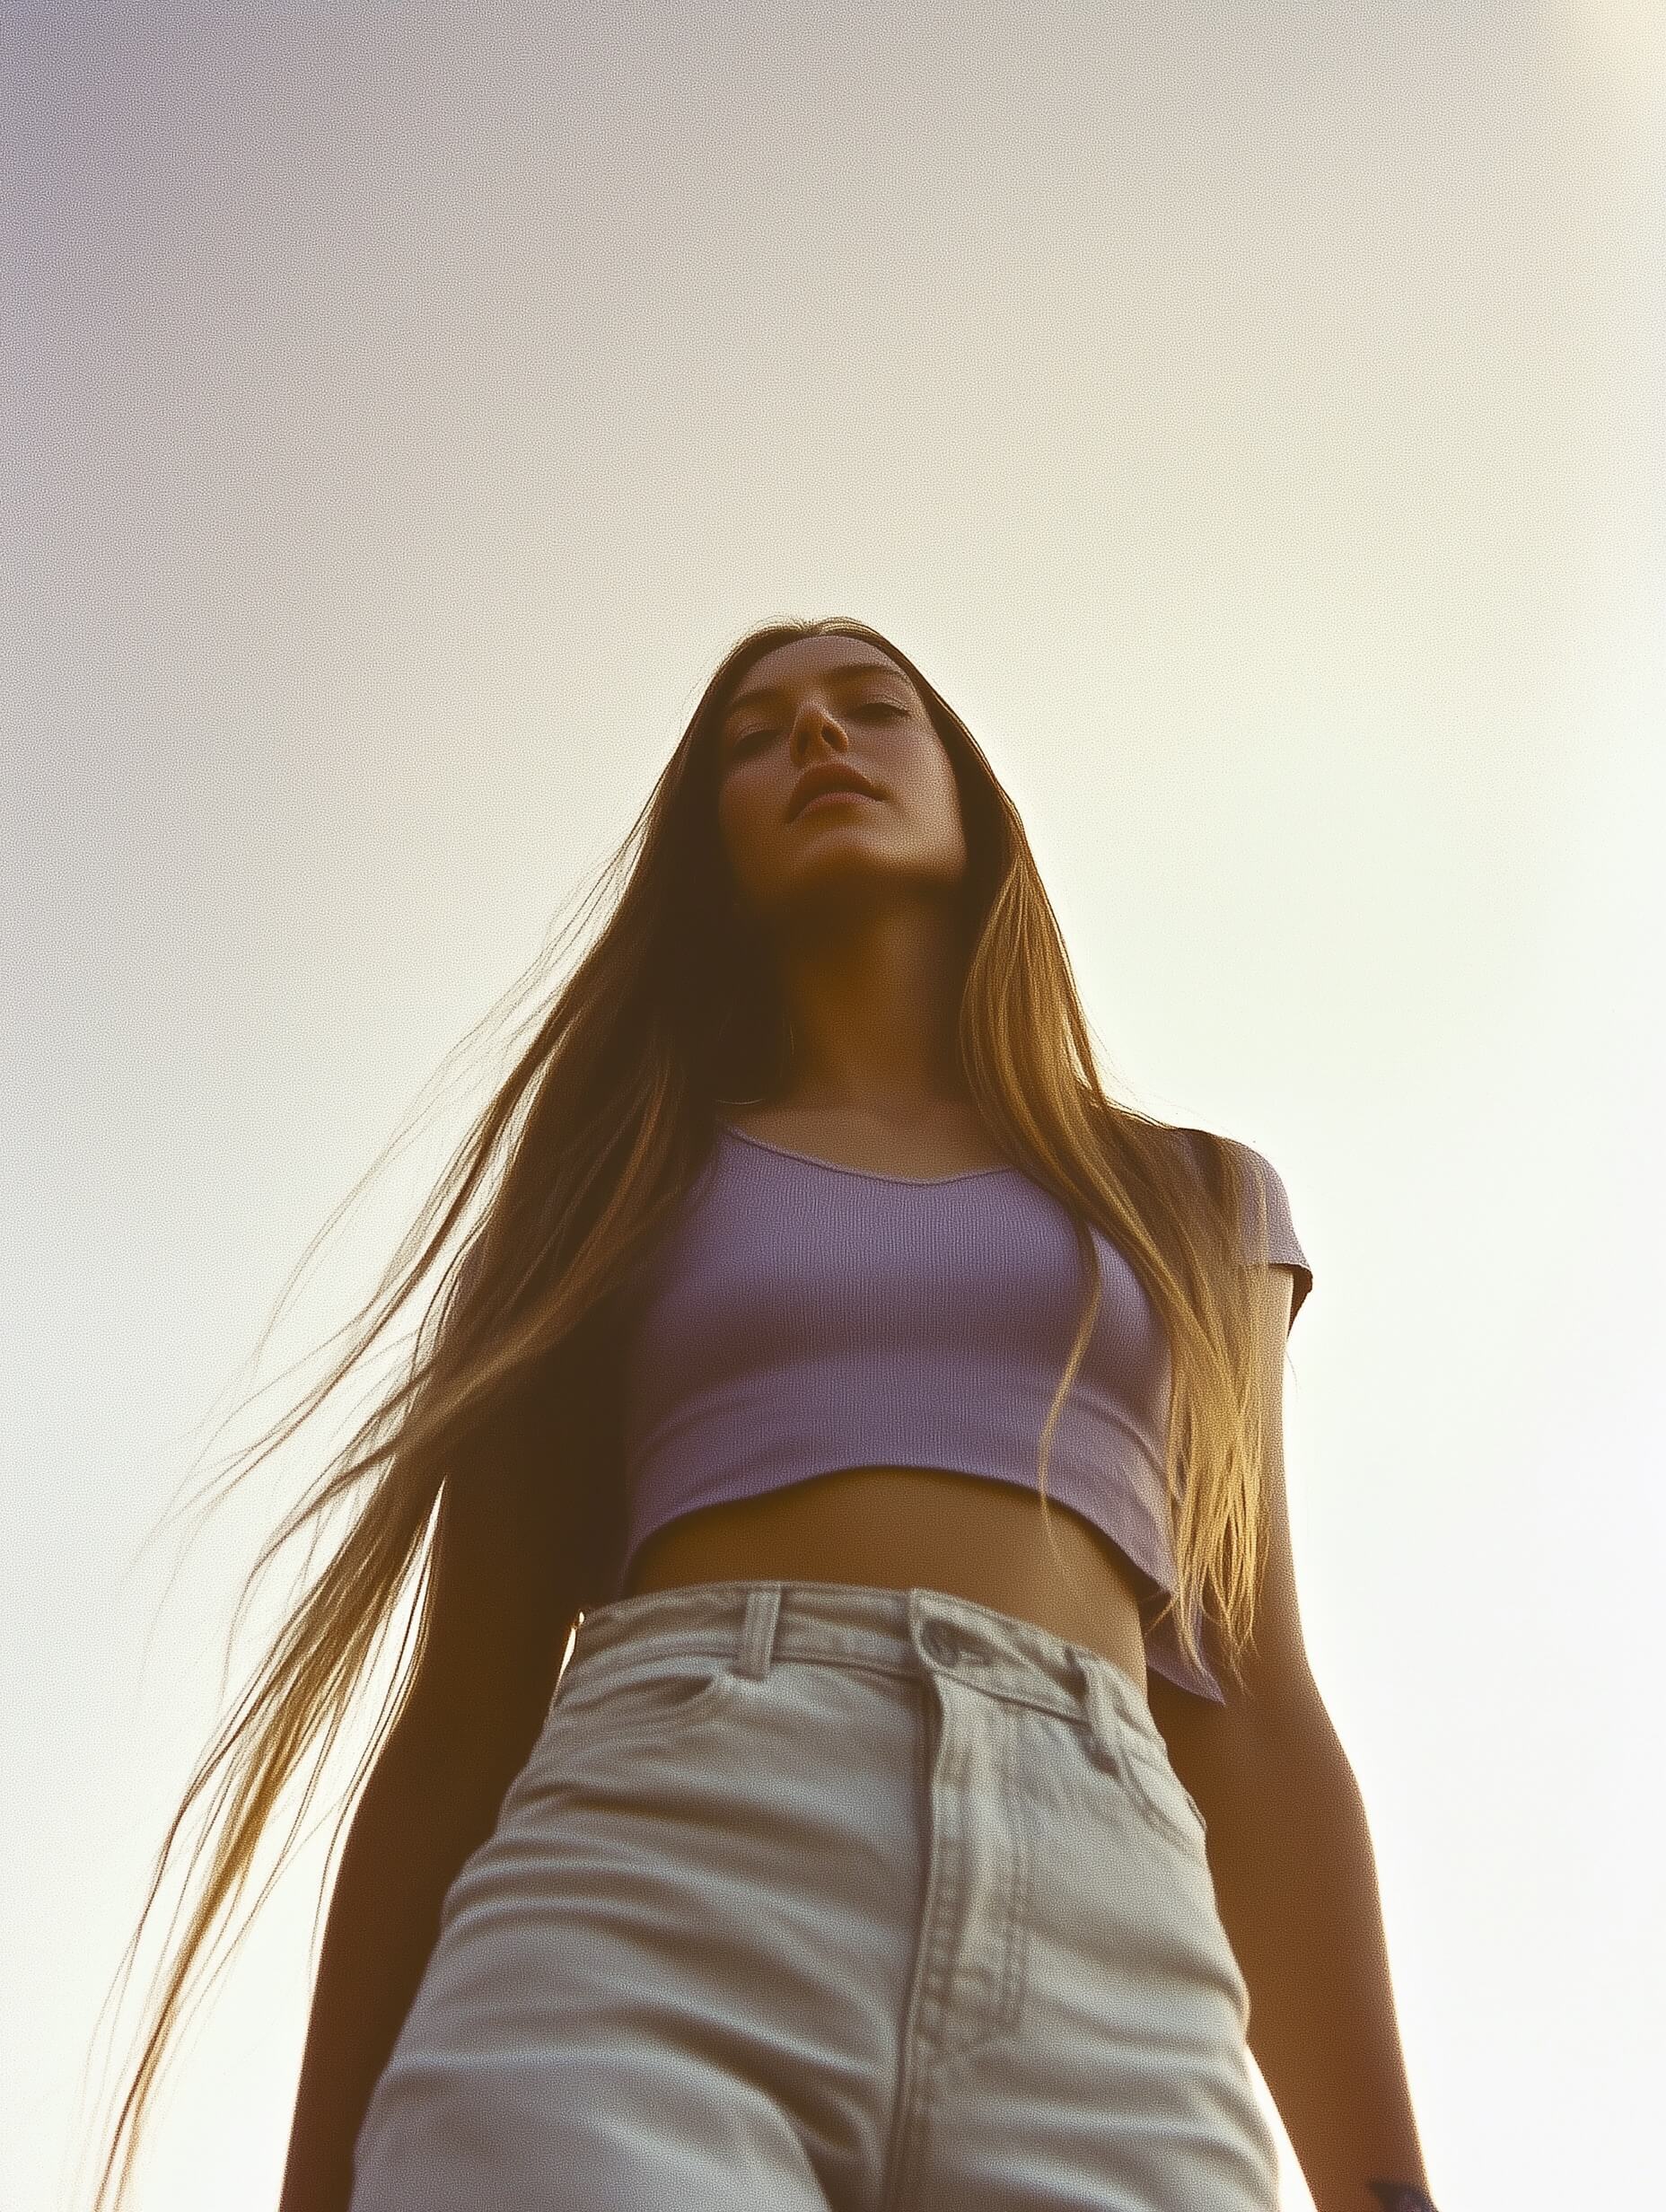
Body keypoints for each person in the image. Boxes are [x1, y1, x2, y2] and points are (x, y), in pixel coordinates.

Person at [88, 618, 1438, 2212]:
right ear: (706, 850)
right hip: (657, 1894)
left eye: (872, 708)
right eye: (758, 733)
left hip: (1110, 1963)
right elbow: (462, 1715)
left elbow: (1255, 1705)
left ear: (976, 807)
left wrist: (1388, 2189)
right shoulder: (613, 1192)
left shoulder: (1189, 1199)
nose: (817, 740)